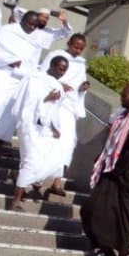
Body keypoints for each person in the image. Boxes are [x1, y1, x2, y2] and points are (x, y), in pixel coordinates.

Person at [81, 85, 129, 256]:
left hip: (127, 177)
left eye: (125, 95)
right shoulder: (123, 117)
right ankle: (104, 249)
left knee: (125, 218)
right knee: (90, 209)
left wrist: (117, 169)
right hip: (112, 172)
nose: (121, 97)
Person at [9, 54, 70, 211]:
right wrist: (46, 98)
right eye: (61, 68)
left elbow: (55, 110)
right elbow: (26, 103)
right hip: (30, 127)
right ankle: (16, 199)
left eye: (65, 70)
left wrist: (55, 127)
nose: (62, 73)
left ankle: (18, 176)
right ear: (52, 65)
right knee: (31, 162)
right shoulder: (35, 79)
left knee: (55, 162)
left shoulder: (58, 85)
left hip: (46, 130)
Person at [0, 10, 41, 141]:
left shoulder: (36, 39)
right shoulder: (6, 31)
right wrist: (10, 60)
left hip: (19, 77)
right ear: (23, 20)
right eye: (30, 24)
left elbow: (33, 61)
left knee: (11, 108)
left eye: (35, 25)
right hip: (0, 71)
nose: (32, 28)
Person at [44, 36, 90, 197]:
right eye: (76, 47)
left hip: (70, 106)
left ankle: (57, 181)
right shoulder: (55, 55)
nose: (78, 51)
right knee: (49, 140)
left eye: (81, 48)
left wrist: (83, 87)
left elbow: (81, 82)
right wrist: (59, 84)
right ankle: (36, 178)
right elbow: (44, 74)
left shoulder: (81, 62)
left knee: (68, 143)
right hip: (56, 103)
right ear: (69, 44)